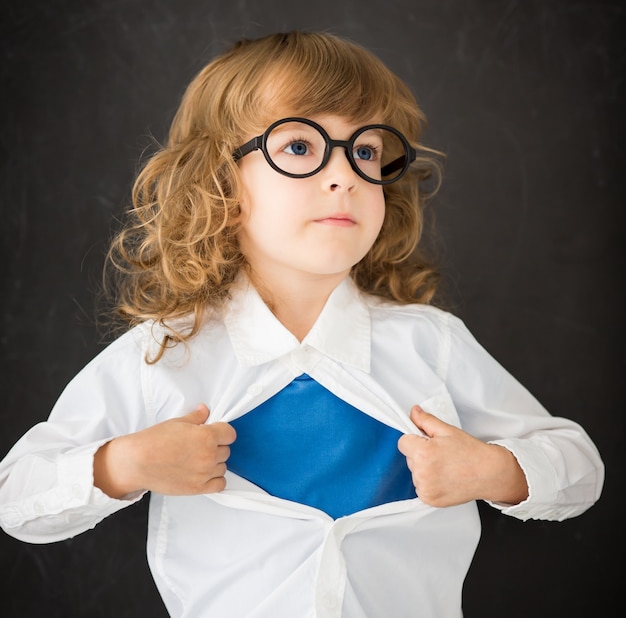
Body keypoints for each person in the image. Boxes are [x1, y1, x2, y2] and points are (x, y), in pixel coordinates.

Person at [0, 31, 603, 618]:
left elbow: (577, 466)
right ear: (220, 184)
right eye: (299, 146)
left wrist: (497, 470)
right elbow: (17, 499)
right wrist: (120, 466)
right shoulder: (166, 352)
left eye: (365, 150)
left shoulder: (430, 344)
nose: (344, 174)